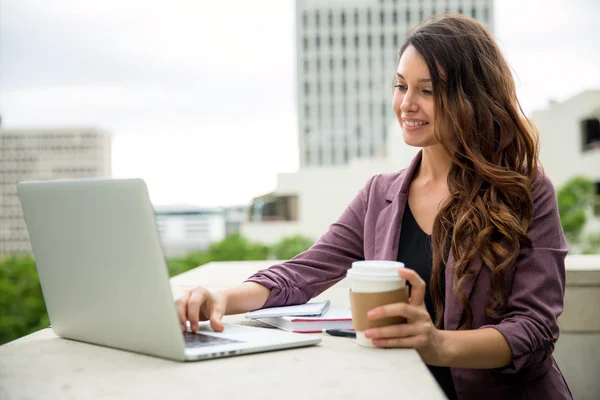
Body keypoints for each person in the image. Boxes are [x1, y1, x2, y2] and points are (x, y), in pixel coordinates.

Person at [175, 14, 572, 400]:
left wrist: (438, 344)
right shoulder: (379, 196)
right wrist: (222, 298)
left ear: (471, 97)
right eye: (401, 86)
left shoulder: (524, 191)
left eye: (428, 90)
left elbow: (535, 329)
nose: (406, 104)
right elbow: (301, 274)